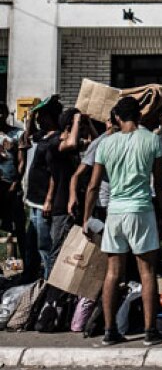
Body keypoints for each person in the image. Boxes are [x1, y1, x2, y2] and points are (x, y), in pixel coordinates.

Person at [83, 96, 162, 346]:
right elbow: (161, 183)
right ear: (140, 116)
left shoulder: (106, 144)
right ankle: (150, 330)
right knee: (147, 272)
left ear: (117, 118)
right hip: (142, 209)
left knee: (113, 273)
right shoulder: (152, 140)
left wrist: (86, 217)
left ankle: (110, 331)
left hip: (114, 211)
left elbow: (92, 185)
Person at [46, 109, 92, 273]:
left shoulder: (73, 144)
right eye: (80, 127)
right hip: (62, 205)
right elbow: (71, 143)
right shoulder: (54, 143)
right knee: (58, 249)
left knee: (73, 252)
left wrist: (88, 121)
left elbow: (94, 142)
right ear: (69, 127)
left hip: (75, 203)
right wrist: (77, 120)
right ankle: (50, 291)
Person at [23, 96, 62, 280]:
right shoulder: (43, 136)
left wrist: (48, 199)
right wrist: (30, 115)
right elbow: (29, 135)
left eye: (41, 116)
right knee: (32, 242)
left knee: (44, 245)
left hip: (43, 201)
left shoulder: (55, 140)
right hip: (34, 199)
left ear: (50, 117)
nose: (39, 120)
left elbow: (55, 173)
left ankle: (48, 280)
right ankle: (31, 276)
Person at [0, 102, 28, 276]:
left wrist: (15, 183)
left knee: (15, 229)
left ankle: (14, 269)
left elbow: (21, 161)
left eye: (0, 112)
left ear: (5, 113)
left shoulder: (17, 134)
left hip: (12, 186)